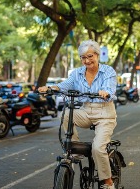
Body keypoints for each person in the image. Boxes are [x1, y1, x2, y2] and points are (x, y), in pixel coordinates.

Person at [38, 40, 117, 189]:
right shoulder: (77, 73)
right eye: (83, 57)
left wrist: (105, 92)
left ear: (97, 55)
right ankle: (75, 151)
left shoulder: (108, 71)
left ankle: (108, 182)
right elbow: (65, 86)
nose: (87, 60)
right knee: (67, 113)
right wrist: (51, 88)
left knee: (98, 148)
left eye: (90, 56)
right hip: (86, 111)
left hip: (105, 113)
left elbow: (109, 89)